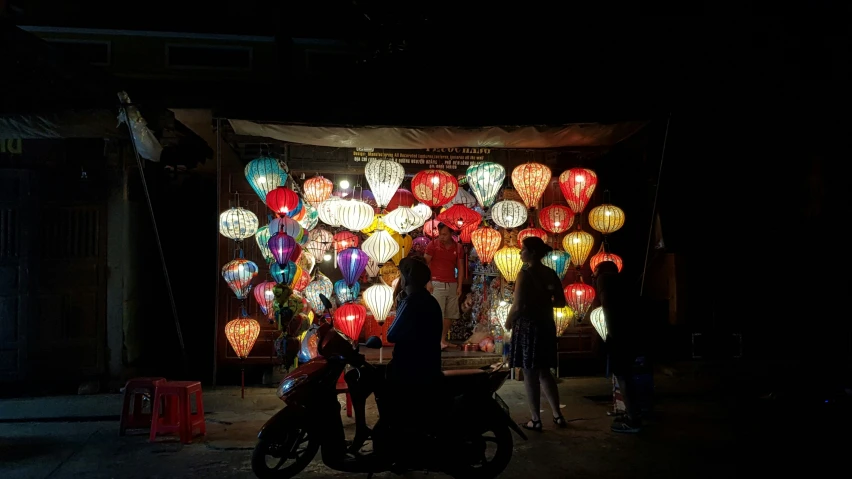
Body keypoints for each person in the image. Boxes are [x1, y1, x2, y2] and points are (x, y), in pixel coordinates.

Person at [505, 237, 568, 431]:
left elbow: (518, 306)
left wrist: (508, 322)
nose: (519, 252)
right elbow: (560, 302)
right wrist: (545, 299)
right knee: (544, 372)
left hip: (528, 326)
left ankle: (535, 418)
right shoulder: (550, 273)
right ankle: (557, 415)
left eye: (522, 249)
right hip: (546, 325)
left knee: (530, 372)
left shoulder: (524, 274)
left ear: (532, 253)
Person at [594, 260, 643, 433]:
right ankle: (634, 413)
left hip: (619, 335)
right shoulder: (622, 282)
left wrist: (611, 334)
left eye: (595, 270)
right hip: (632, 332)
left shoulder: (603, 279)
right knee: (626, 374)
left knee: (623, 375)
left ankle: (632, 419)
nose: (593, 274)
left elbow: (606, 304)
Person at [386, 257, 444, 385]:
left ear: (406, 279)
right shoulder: (431, 301)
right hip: (429, 367)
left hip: (409, 371)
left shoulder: (410, 302)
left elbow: (391, 335)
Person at [423, 223, 465, 350]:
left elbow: (461, 267)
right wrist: (428, 282)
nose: (441, 237)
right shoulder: (433, 245)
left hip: (452, 283)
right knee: (437, 314)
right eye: (440, 234)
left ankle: (442, 340)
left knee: (449, 315)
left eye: (445, 234)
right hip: (436, 283)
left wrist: (460, 285)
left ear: (452, 234)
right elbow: (425, 264)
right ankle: (434, 341)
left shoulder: (458, 247)